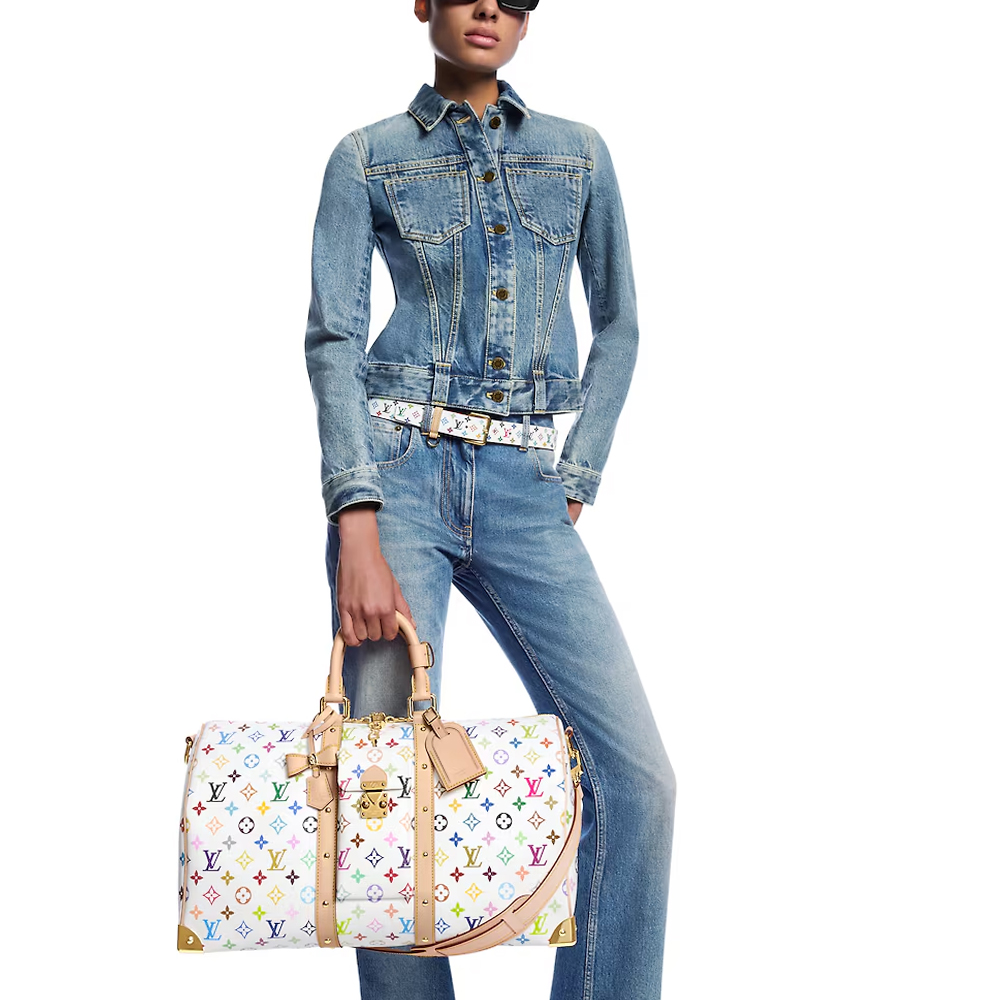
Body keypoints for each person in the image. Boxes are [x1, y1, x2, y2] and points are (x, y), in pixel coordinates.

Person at [304, 2, 677, 998]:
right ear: (423, 2)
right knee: (384, 783)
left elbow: (621, 324)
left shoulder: (579, 153)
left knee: (637, 779)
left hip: (525, 484)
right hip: (396, 479)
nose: (490, 11)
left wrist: (577, 472)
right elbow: (334, 340)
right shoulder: (366, 156)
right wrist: (355, 514)